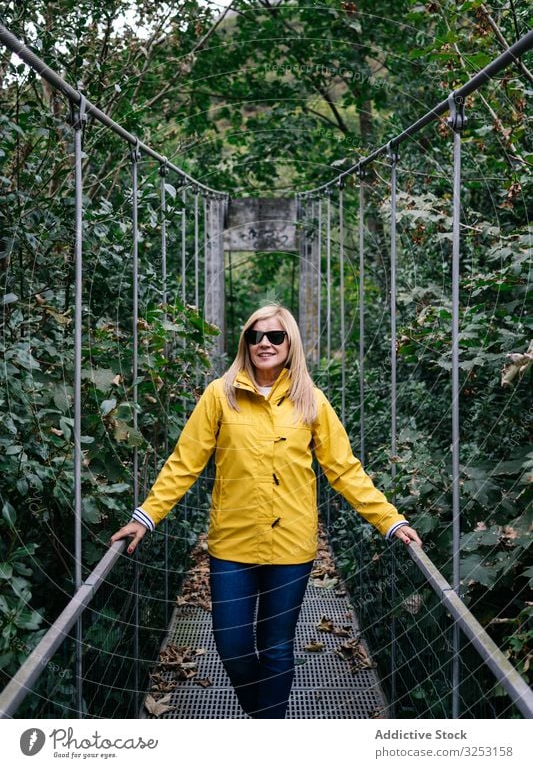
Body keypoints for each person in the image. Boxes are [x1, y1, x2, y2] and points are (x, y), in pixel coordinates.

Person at [110, 303, 422, 719]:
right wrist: (144, 517)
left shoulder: (312, 402)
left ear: (290, 342)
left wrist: (390, 520)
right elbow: (185, 463)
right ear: (246, 343)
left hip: (291, 545)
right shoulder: (218, 396)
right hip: (232, 544)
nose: (264, 343)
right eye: (255, 336)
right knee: (232, 643)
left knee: (276, 646)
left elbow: (344, 470)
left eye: (275, 336)